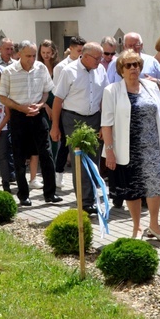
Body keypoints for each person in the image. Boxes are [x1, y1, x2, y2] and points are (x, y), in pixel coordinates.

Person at [101, 50, 160, 240]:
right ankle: (137, 227)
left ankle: (154, 226)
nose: (133, 68)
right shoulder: (112, 90)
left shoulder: (151, 86)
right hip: (126, 147)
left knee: (155, 185)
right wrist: (109, 151)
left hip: (153, 147)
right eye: (128, 65)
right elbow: (106, 124)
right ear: (121, 69)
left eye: (136, 64)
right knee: (132, 188)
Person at [0, 41, 61, 206]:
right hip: (19, 116)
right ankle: (23, 195)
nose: (32, 59)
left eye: (34, 55)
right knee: (19, 157)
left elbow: (47, 91)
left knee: (46, 154)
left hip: (38, 115)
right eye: (28, 56)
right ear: (19, 54)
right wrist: (22, 108)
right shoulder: (8, 71)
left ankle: (50, 193)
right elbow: (2, 97)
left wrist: (40, 105)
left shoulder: (40, 68)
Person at [50, 42, 108, 214]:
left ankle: (91, 197)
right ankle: (84, 201)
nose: (100, 61)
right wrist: (55, 126)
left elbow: (105, 98)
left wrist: (104, 124)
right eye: (97, 58)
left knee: (94, 159)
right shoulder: (69, 71)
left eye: (101, 58)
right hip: (73, 118)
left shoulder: (101, 70)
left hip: (95, 118)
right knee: (79, 160)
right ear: (85, 55)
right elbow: (58, 100)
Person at [36, 39, 60, 188]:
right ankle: (47, 174)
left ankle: (57, 172)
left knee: (57, 140)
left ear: (53, 53)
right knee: (46, 141)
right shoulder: (37, 68)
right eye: (43, 53)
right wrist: (45, 106)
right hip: (42, 106)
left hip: (57, 104)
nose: (46, 55)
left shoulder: (59, 67)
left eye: (48, 53)